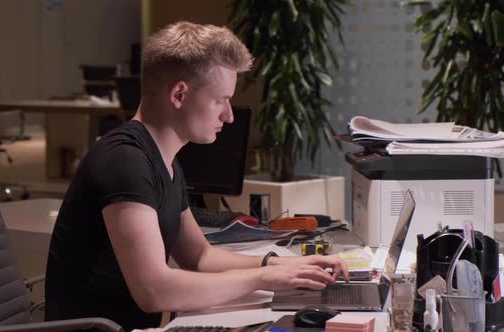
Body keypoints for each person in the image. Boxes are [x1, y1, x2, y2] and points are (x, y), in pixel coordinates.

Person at [44, 21, 349, 331]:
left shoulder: (166, 161)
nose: (228, 115)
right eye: (220, 100)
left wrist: (283, 265)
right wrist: (264, 278)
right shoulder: (125, 162)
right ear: (179, 94)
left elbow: (200, 256)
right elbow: (154, 291)